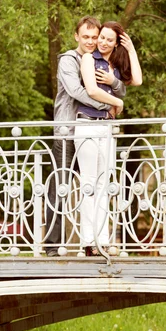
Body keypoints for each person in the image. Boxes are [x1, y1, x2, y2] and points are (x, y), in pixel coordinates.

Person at [44, 16, 126, 257]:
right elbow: (78, 91)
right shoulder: (69, 60)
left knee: (97, 185)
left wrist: (114, 87)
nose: (91, 41)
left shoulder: (101, 61)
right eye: (86, 37)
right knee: (60, 186)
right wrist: (107, 106)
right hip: (68, 129)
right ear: (76, 36)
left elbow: (121, 85)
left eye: (94, 37)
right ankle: (52, 245)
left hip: (93, 130)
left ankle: (95, 240)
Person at [74, 21, 142, 256]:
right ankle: (87, 241)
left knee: (104, 184)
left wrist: (131, 49)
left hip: (106, 128)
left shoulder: (115, 64)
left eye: (108, 40)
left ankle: (102, 239)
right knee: (89, 184)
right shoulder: (88, 59)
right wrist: (118, 102)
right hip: (87, 124)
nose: (102, 42)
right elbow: (92, 90)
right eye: (101, 37)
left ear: (116, 43)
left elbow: (137, 80)